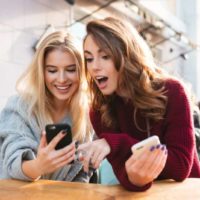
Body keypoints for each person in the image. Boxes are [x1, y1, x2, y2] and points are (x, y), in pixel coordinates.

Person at [78, 17, 200, 191]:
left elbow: (180, 166)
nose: (94, 67)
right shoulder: (99, 111)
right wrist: (135, 179)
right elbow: (126, 176)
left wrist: (114, 143)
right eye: (89, 59)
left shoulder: (172, 91)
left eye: (105, 56)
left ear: (127, 56)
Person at [0, 31, 94, 182]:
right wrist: (39, 166)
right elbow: (13, 162)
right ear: (41, 72)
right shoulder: (19, 107)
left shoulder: (88, 116)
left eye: (71, 70)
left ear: (82, 72)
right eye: (52, 70)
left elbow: (83, 173)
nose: (62, 79)